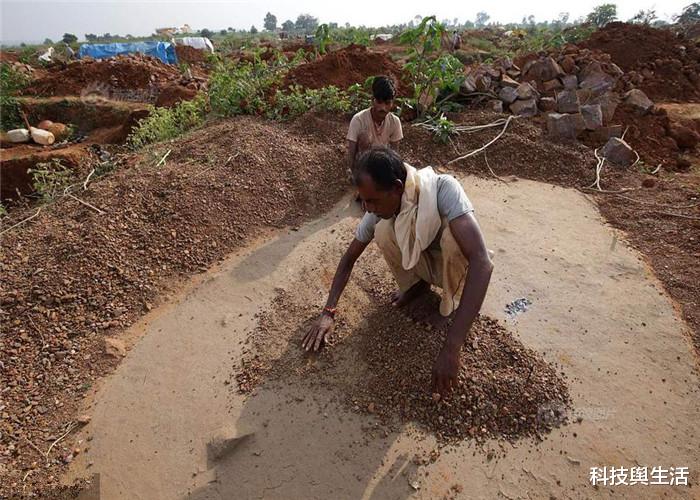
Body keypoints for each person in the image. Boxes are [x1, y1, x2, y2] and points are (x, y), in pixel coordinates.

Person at [302, 148, 494, 396]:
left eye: (372, 201)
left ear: (395, 187)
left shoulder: (442, 189)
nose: (368, 208)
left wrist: (452, 346)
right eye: (364, 201)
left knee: (453, 240)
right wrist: (328, 312)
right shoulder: (381, 208)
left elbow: (481, 262)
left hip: (457, 272)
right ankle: (416, 287)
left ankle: (450, 305)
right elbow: (349, 259)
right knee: (383, 230)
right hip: (425, 264)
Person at [346, 76, 403, 180]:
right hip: (363, 165)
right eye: (379, 102)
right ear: (373, 100)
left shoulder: (394, 122)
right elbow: (351, 152)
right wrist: (353, 171)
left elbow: (395, 152)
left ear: (392, 103)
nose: (383, 108)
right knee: (365, 137)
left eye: (387, 103)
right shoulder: (359, 120)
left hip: (382, 163)